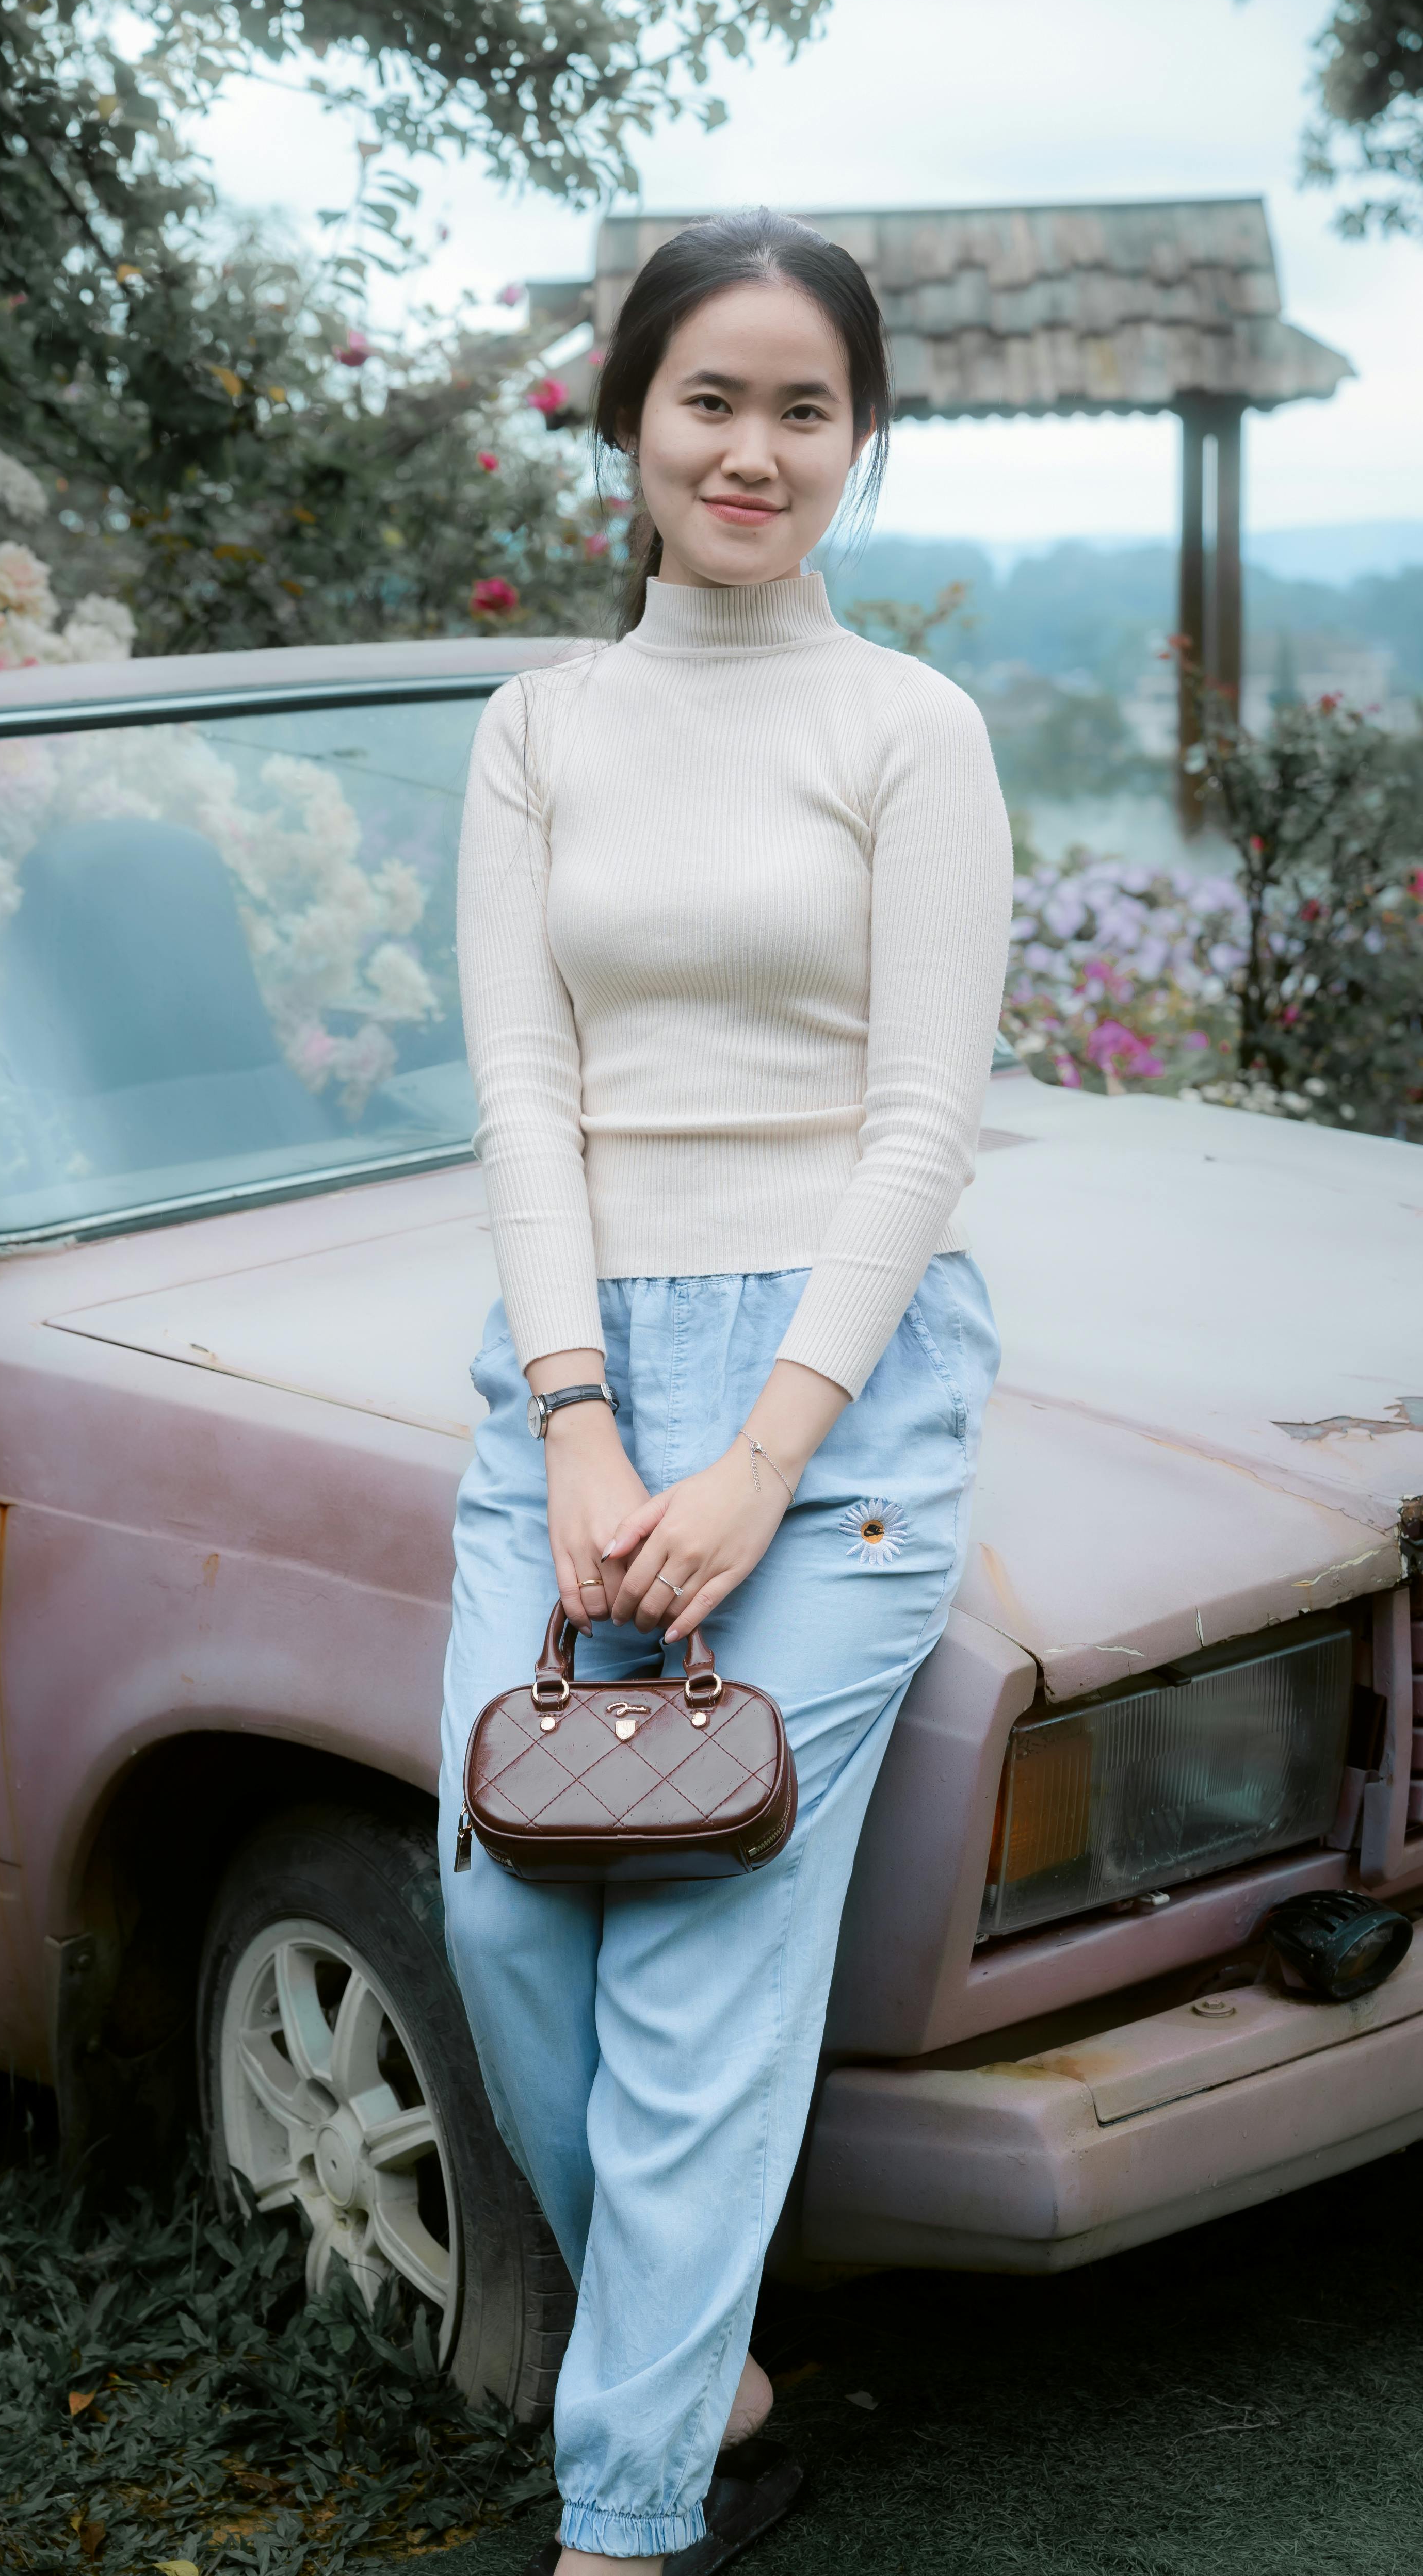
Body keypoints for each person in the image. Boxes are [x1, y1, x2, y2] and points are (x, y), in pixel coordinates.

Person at [440, 211, 1011, 2575]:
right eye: (711, 399)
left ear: (858, 437)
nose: (753, 449)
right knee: (502, 1908)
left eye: (805, 407)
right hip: (571, 1376)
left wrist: (760, 1460)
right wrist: (582, 1423)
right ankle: (707, 2364)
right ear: (627, 419)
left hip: (836, 1403)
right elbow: (523, 1095)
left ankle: (627, 2517)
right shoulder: (539, 728)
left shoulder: (908, 731)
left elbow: (922, 1123)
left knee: (689, 1951)